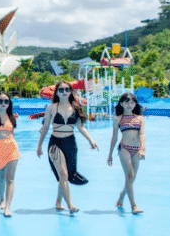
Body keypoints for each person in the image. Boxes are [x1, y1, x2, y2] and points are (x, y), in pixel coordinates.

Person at [37, 81, 98, 213]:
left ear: (71, 92)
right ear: (57, 93)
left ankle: (58, 201)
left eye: (66, 89)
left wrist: (91, 140)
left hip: (70, 143)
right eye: (61, 90)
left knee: (65, 175)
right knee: (63, 174)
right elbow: (45, 127)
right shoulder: (51, 108)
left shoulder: (76, 107)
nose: (64, 92)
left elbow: (81, 127)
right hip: (55, 143)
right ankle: (70, 205)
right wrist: (39, 146)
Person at [107, 92, 145, 214]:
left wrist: (142, 149)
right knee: (129, 175)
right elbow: (114, 137)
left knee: (132, 177)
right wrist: (110, 154)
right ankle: (134, 206)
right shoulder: (118, 119)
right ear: (122, 104)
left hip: (136, 149)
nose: (130, 105)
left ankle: (122, 195)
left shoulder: (139, 118)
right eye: (127, 102)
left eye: (132, 102)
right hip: (124, 148)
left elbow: (142, 135)